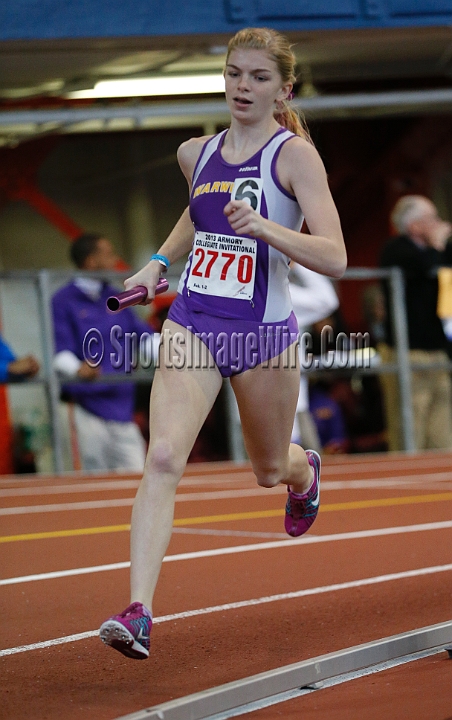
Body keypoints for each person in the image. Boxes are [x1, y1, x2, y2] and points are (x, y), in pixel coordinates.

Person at [99, 26, 346, 660]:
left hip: (265, 335)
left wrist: (265, 227)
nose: (244, 86)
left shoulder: (295, 158)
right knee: (162, 460)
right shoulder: (195, 153)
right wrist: (157, 261)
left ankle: (302, 470)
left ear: (282, 87)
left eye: (259, 77)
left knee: (267, 469)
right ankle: (139, 610)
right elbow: (196, 214)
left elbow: (335, 256)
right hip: (194, 323)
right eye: (236, 73)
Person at [52, 233, 157, 472]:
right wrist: (77, 368)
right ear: (90, 261)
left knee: (137, 472)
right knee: (92, 479)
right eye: (108, 254)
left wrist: (180, 352)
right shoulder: (62, 300)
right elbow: (60, 351)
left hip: (122, 406)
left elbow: (145, 337)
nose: (115, 259)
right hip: (86, 407)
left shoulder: (117, 297)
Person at [379, 194, 452, 451]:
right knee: (411, 428)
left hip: (437, 351)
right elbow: (424, 266)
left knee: (443, 431)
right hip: (408, 353)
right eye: (432, 218)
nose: (440, 223)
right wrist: (438, 245)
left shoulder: (437, 249)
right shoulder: (397, 249)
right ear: (415, 226)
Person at [288, 262, 340, 453]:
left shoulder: (283, 293)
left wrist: (296, 262)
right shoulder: (275, 293)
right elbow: (327, 299)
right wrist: (297, 260)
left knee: (303, 464)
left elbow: (328, 300)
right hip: (261, 401)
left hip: (294, 402)